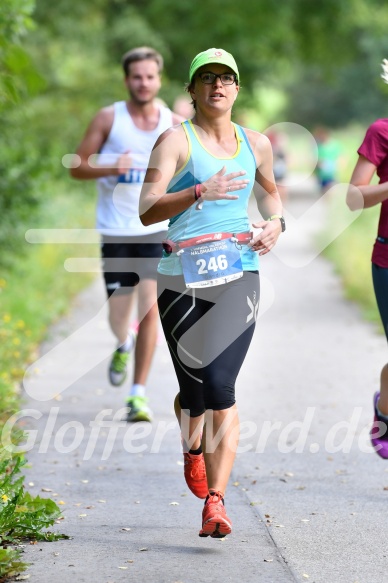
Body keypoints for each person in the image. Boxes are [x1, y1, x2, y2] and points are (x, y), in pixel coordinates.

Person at [139, 48, 285, 537]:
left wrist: (276, 224)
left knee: (221, 387)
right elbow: (147, 208)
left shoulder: (256, 142)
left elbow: (271, 194)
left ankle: (217, 503)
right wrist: (200, 191)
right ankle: (192, 445)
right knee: (192, 393)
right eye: (207, 78)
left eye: (226, 79)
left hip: (239, 272)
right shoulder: (174, 142)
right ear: (192, 90)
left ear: (237, 89)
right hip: (181, 278)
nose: (217, 86)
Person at [70, 46, 182, 422]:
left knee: (150, 307)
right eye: (137, 76)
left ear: (159, 79)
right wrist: (108, 167)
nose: (144, 82)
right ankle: (123, 341)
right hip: (116, 231)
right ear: (127, 80)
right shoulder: (109, 118)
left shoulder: (174, 123)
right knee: (119, 314)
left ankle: (138, 394)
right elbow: (76, 166)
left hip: (155, 228)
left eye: (150, 76)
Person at [347, 65, 388, 458]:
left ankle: (385, 405)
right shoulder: (381, 131)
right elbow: (353, 197)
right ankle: (385, 408)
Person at [314, 126, 341, 194]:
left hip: (332, 173)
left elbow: (341, 157)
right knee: (323, 192)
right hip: (322, 174)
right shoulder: (319, 147)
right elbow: (316, 160)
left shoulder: (334, 145)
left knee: (331, 190)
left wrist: (338, 165)